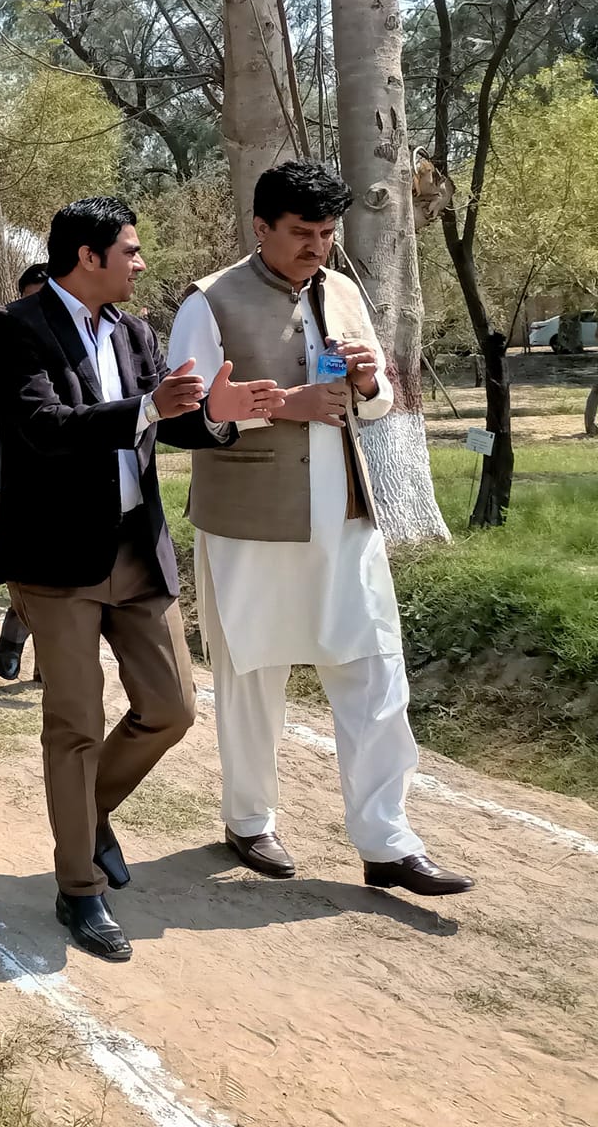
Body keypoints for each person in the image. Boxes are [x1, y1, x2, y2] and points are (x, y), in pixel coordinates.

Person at [0, 196, 273, 962]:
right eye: (131, 251)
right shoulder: (12, 327)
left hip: (138, 551)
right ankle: (78, 887)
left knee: (171, 707)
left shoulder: (133, 331)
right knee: (75, 724)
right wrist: (148, 406)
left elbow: (167, 419)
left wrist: (219, 415)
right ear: (89, 257)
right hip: (57, 562)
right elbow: (42, 427)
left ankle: (89, 814)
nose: (141, 263)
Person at [170, 161, 473, 898]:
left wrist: (368, 384)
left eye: (328, 232)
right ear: (261, 227)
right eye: (302, 232)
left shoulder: (343, 291)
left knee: (375, 669)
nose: (317, 247)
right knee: (252, 676)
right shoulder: (210, 302)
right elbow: (184, 418)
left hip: (346, 516)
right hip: (249, 522)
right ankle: (249, 821)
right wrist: (283, 405)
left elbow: (377, 403)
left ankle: (387, 842)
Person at [0, 262, 51, 682]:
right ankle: (17, 626)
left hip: (75, 483)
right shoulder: (3, 338)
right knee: (29, 571)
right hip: (19, 485)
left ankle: (46, 663)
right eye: (31, 298)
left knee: (62, 576)